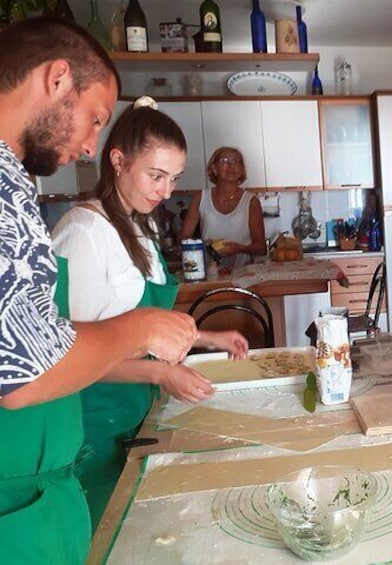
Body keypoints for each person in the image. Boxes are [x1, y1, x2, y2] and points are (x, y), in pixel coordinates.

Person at [0, 17, 197, 563]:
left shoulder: (12, 183)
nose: (90, 146)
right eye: (94, 120)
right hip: (17, 492)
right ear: (57, 78)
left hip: (34, 482)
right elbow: (24, 370)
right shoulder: (21, 200)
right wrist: (141, 331)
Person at [52, 98, 250, 531]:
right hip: (96, 426)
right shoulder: (83, 233)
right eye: (156, 176)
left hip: (135, 414)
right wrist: (161, 374)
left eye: (173, 178)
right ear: (118, 161)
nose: (165, 191)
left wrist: (207, 339)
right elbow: (72, 359)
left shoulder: (139, 225)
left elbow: (140, 324)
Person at [179, 146, 266, 270]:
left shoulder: (251, 201)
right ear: (214, 169)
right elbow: (184, 237)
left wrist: (240, 248)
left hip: (243, 275)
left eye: (236, 161)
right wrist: (202, 245)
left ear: (242, 170)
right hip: (209, 273)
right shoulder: (200, 198)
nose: (231, 166)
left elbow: (260, 247)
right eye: (225, 161)